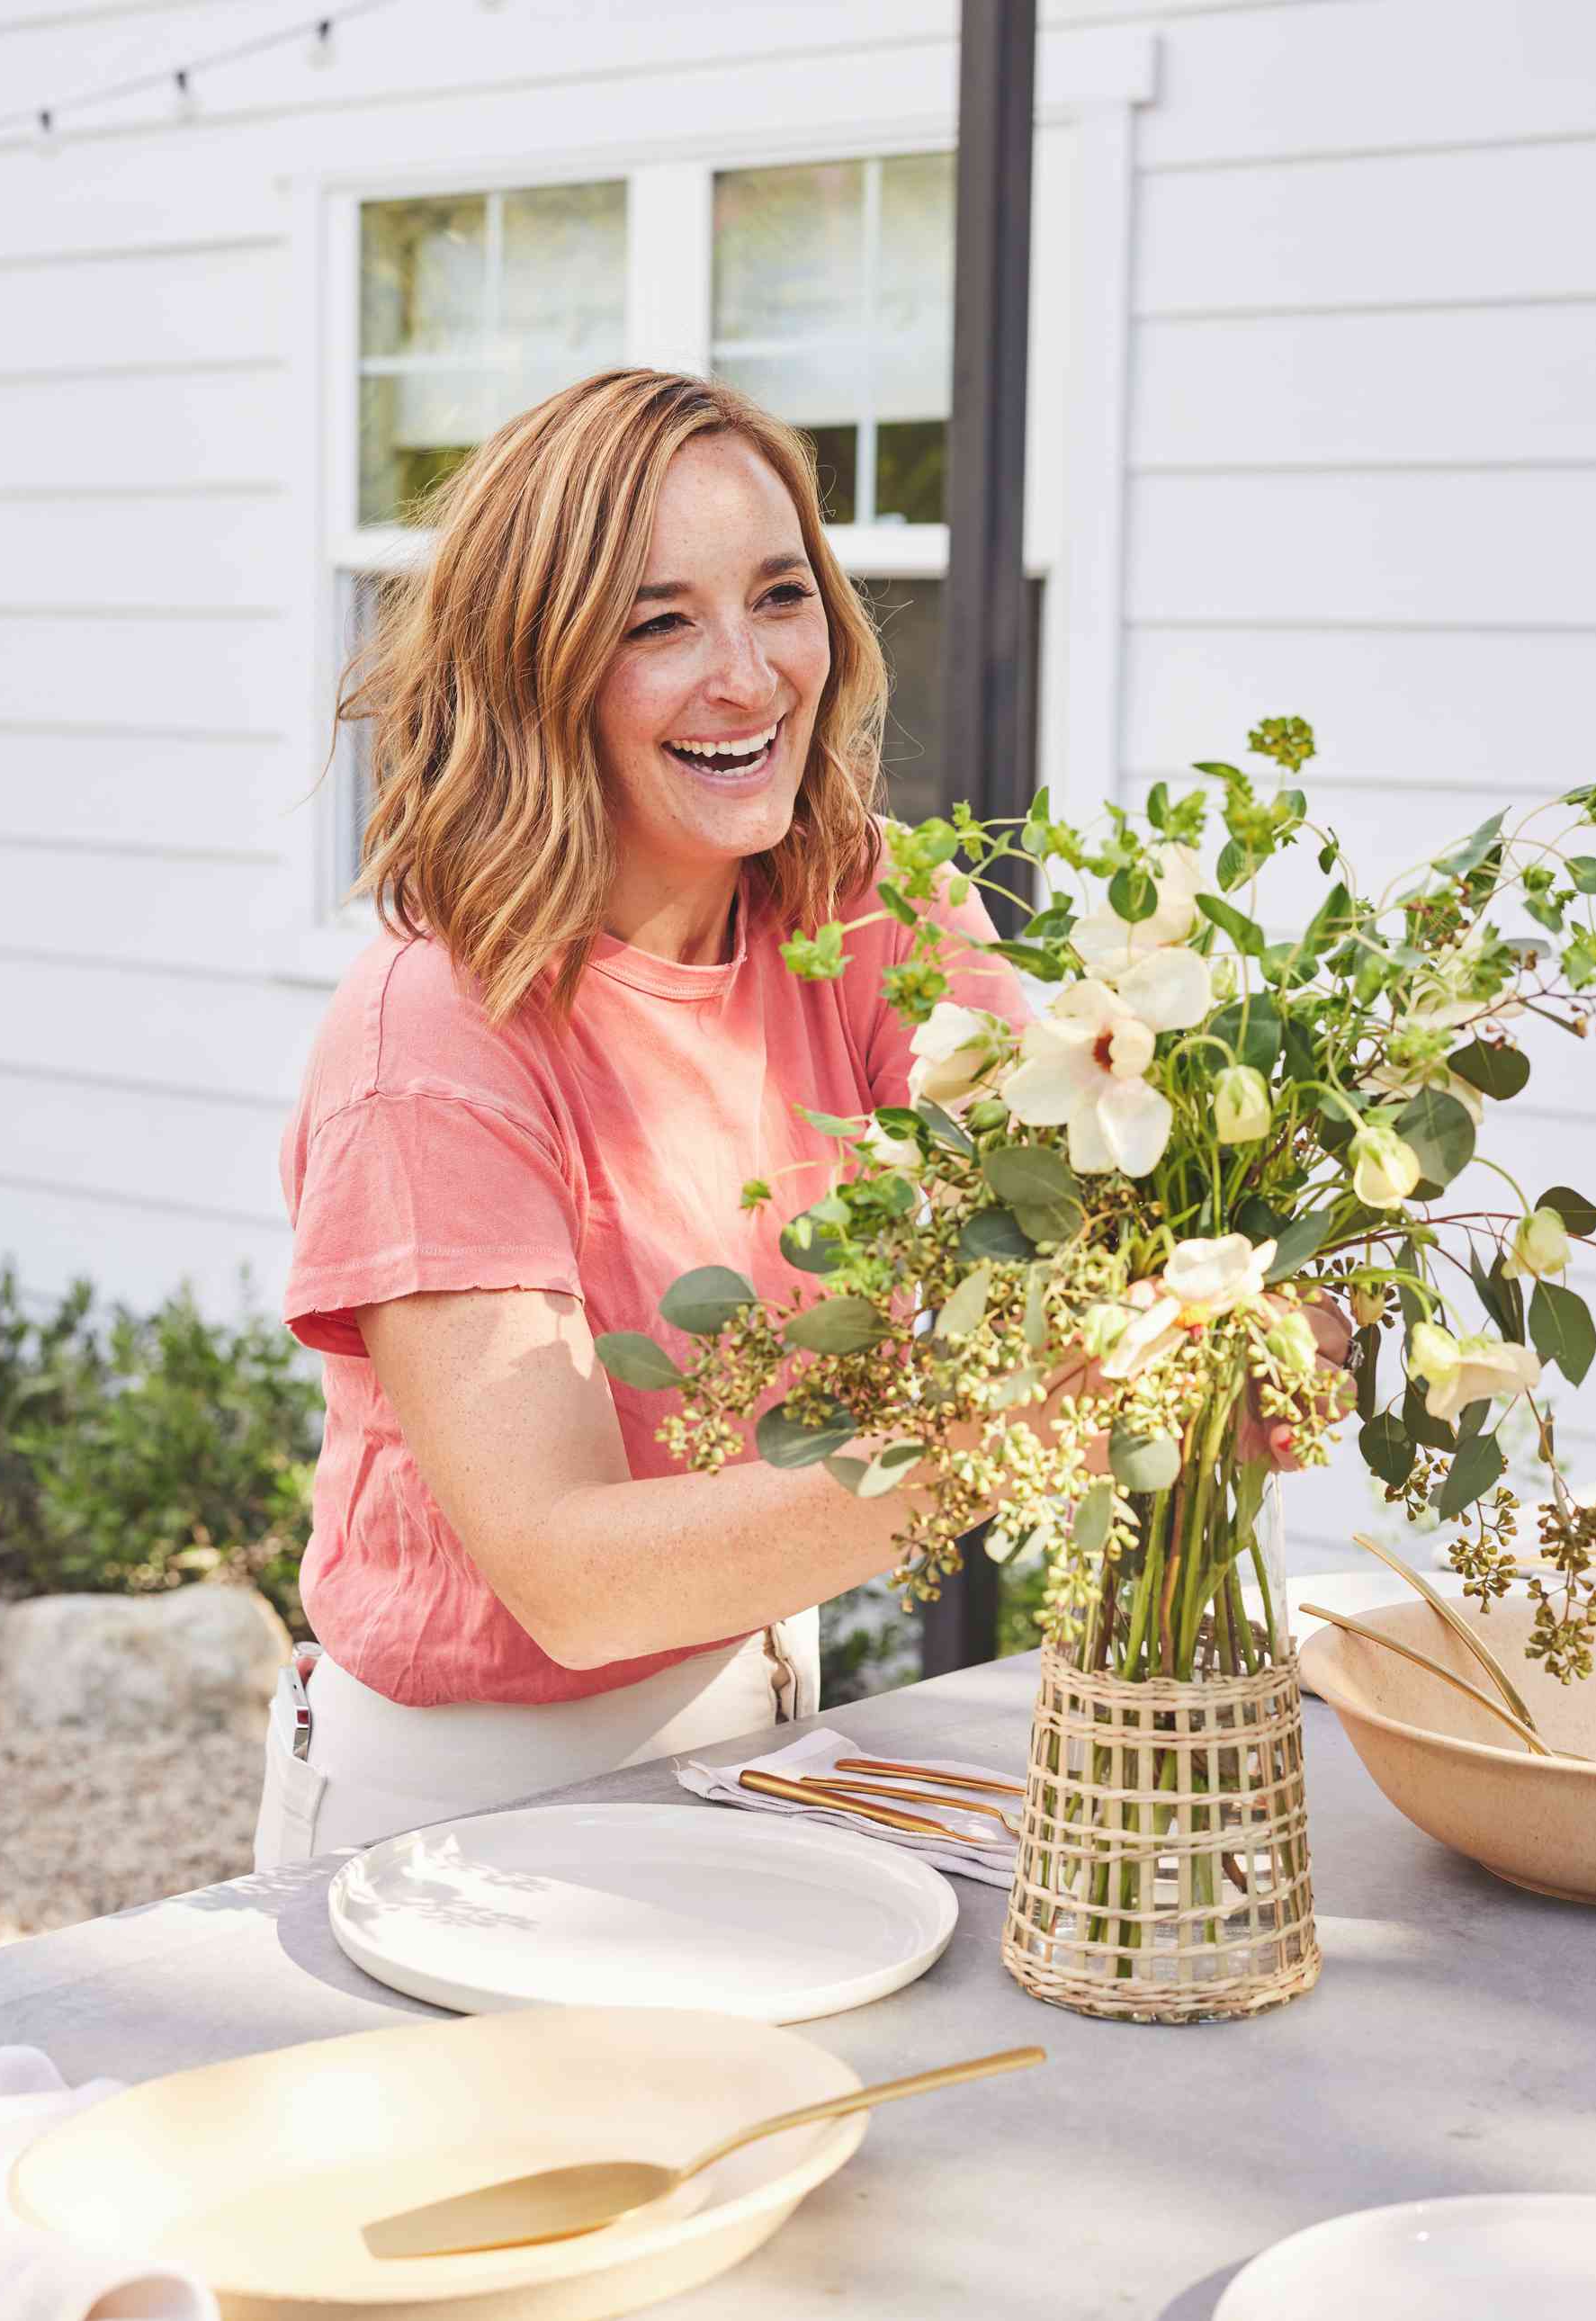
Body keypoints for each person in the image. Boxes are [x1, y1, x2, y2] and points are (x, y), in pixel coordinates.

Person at [252, 368, 1030, 1868]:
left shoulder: (856, 903)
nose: (746, 676)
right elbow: (572, 1575)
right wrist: (1027, 1433)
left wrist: (1222, 1294)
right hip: (462, 1814)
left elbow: (1082, 1181)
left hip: (770, 1729)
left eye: (779, 596)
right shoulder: (434, 1031)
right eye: (655, 621)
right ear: (536, 666)